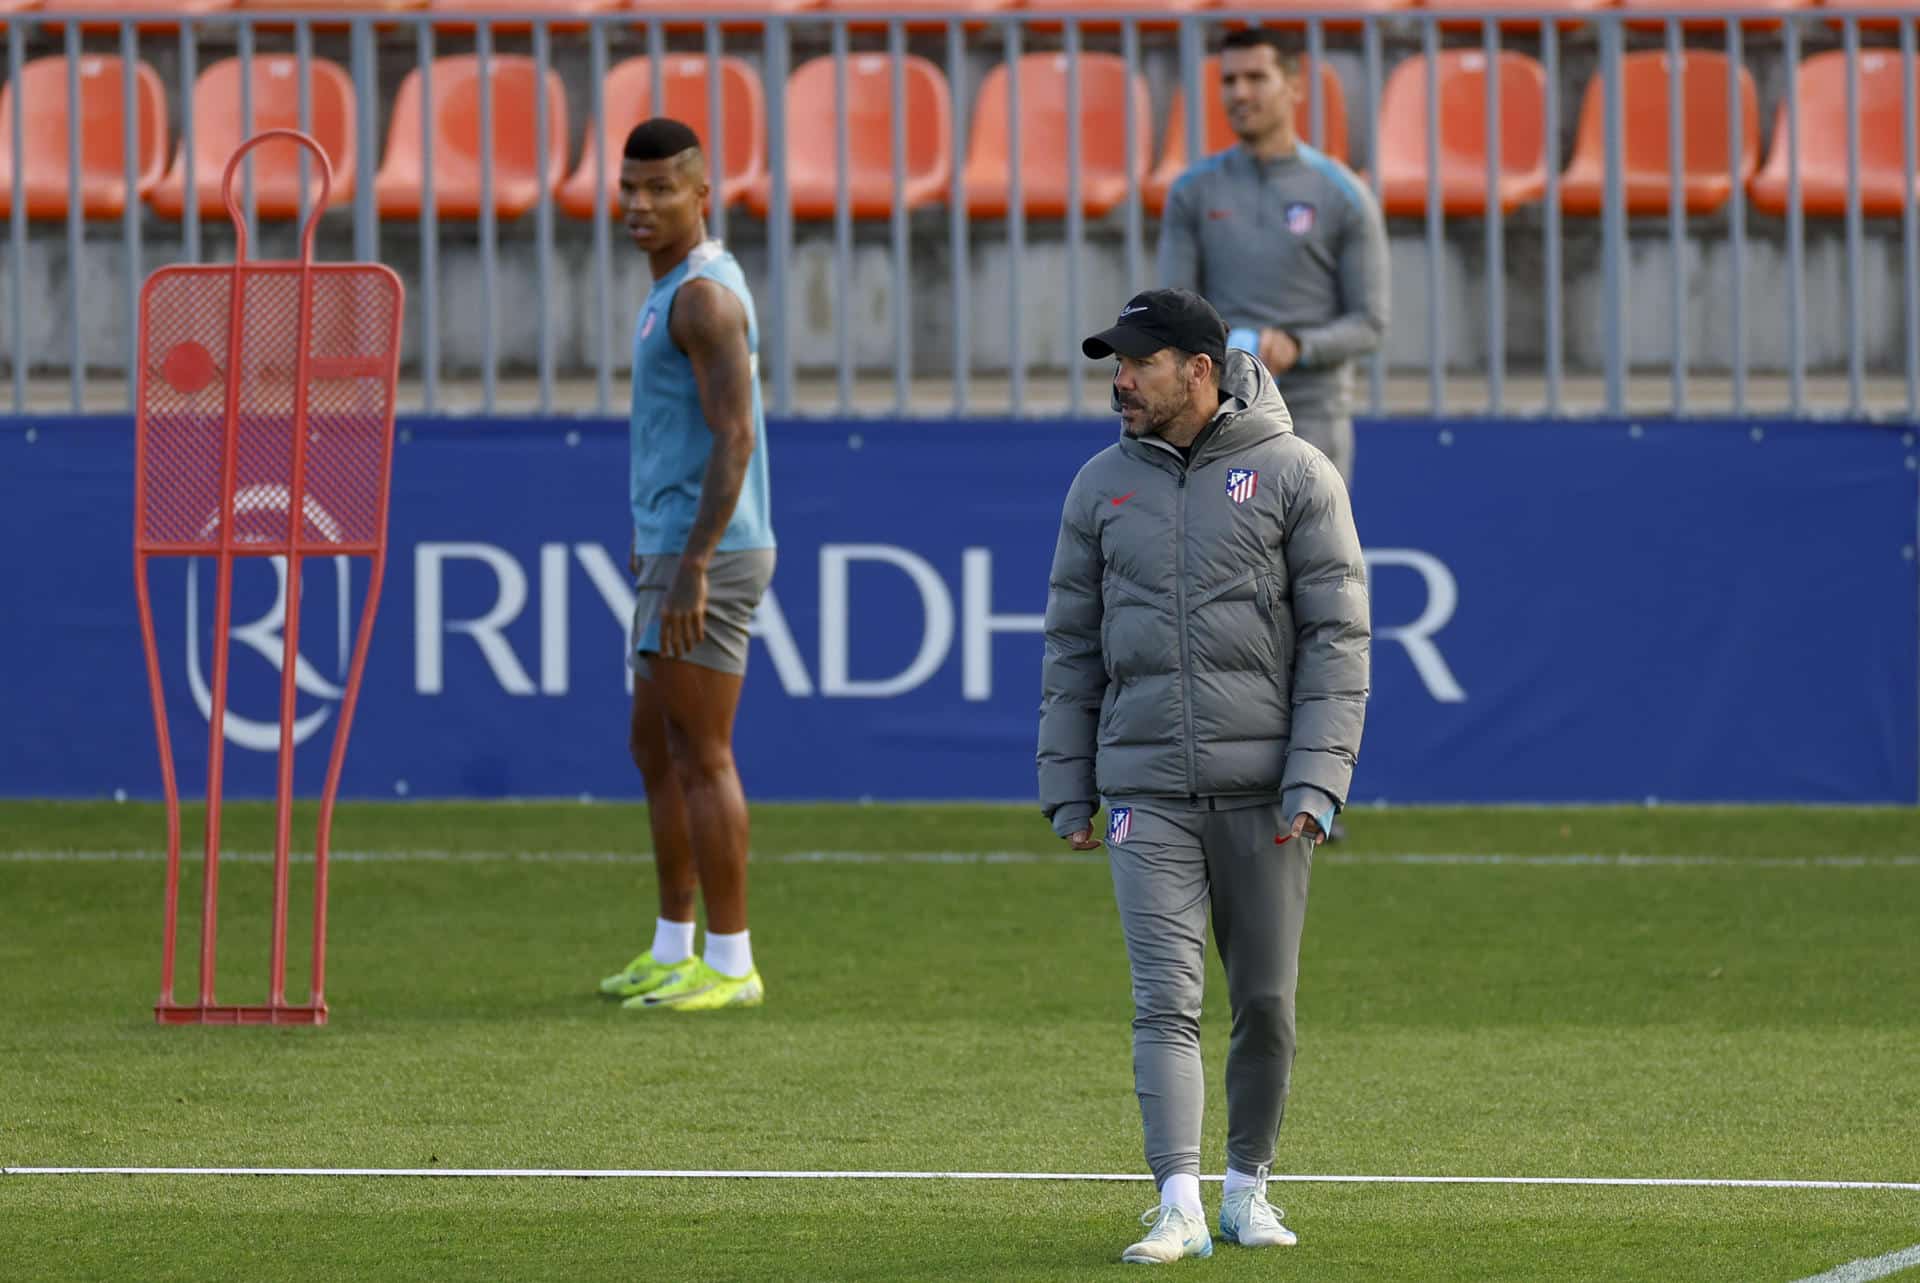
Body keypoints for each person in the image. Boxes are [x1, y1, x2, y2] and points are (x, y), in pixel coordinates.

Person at [1037, 289, 1370, 1263]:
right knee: (1163, 998)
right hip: (1146, 790)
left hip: (1268, 796)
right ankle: (1176, 1197)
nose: (1120, 379)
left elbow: (1337, 644)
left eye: (1137, 362)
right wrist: (1070, 782)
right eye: (1115, 362)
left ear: (1199, 368)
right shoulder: (1098, 486)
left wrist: (1317, 779)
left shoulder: (1298, 473)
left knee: (1264, 1001)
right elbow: (1070, 645)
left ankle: (1245, 1186)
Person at [595, 118, 774, 1013]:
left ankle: (732, 962)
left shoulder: (703, 299)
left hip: (708, 554)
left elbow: (735, 436)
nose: (639, 204)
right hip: (675, 546)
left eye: (661, 189)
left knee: (703, 755)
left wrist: (694, 562)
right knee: (654, 746)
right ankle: (674, 947)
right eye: (629, 187)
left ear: (701, 196)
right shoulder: (675, 286)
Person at [1157, 25, 1389, 489]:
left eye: (1256, 78)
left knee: (1312, 560)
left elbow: (1370, 324)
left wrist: (1299, 347)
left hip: (1312, 415)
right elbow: (1172, 316)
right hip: (1218, 414)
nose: (1240, 93)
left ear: (1295, 86)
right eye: (1229, 80)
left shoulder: (1343, 194)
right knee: (1221, 561)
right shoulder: (1193, 191)